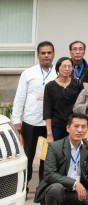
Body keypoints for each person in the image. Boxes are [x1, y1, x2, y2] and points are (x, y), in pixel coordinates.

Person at [13, 41, 57, 186]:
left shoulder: (58, 72)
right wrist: (16, 120)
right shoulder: (28, 73)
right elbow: (20, 97)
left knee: (47, 156)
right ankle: (24, 186)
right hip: (31, 120)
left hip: (50, 122)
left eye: (49, 52)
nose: (46, 55)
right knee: (28, 155)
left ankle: (43, 187)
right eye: (43, 53)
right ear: (38, 55)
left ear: (53, 54)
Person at [44, 57, 83, 141]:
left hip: (75, 125)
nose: (67, 69)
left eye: (69, 66)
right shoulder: (50, 86)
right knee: (58, 151)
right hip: (57, 126)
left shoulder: (78, 84)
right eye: (64, 66)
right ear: (58, 68)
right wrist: (49, 134)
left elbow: (81, 104)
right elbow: (47, 111)